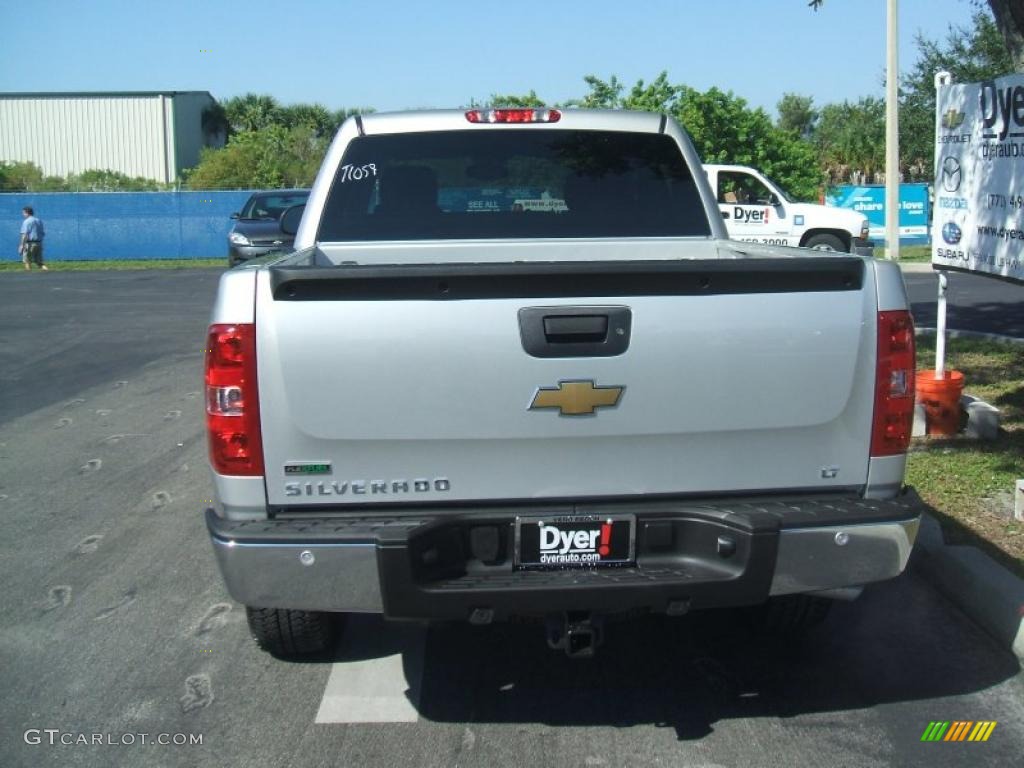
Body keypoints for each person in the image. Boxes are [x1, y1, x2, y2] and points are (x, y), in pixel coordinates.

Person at [19, 206, 47, 271]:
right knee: (39, 263)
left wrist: (21, 246)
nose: (23, 215)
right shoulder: (39, 221)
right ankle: (49, 273)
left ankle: (28, 276)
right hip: (39, 243)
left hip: (30, 244)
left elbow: (25, 234)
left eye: (23, 213)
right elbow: (42, 233)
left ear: (27, 213)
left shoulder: (26, 221)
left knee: (27, 261)